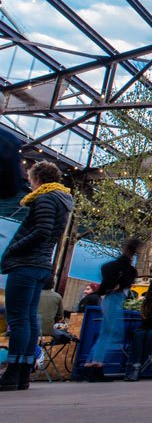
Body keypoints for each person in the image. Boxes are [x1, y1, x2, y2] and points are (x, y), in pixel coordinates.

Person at [0, 161, 73, 392]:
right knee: (29, 318)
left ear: (38, 177)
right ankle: (21, 373)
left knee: (19, 319)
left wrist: (12, 249)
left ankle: (13, 372)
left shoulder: (46, 198)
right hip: (41, 266)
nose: (29, 184)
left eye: (30, 179)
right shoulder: (60, 200)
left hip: (27, 264)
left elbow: (41, 230)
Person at [83, 237, 143, 382]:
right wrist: (114, 286)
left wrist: (104, 289)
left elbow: (106, 269)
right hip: (114, 299)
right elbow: (119, 278)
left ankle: (91, 365)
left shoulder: (119, 265)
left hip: (109, 298)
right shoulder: (127, 268)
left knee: (106, 333)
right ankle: (97, 365)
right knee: (113, 334)